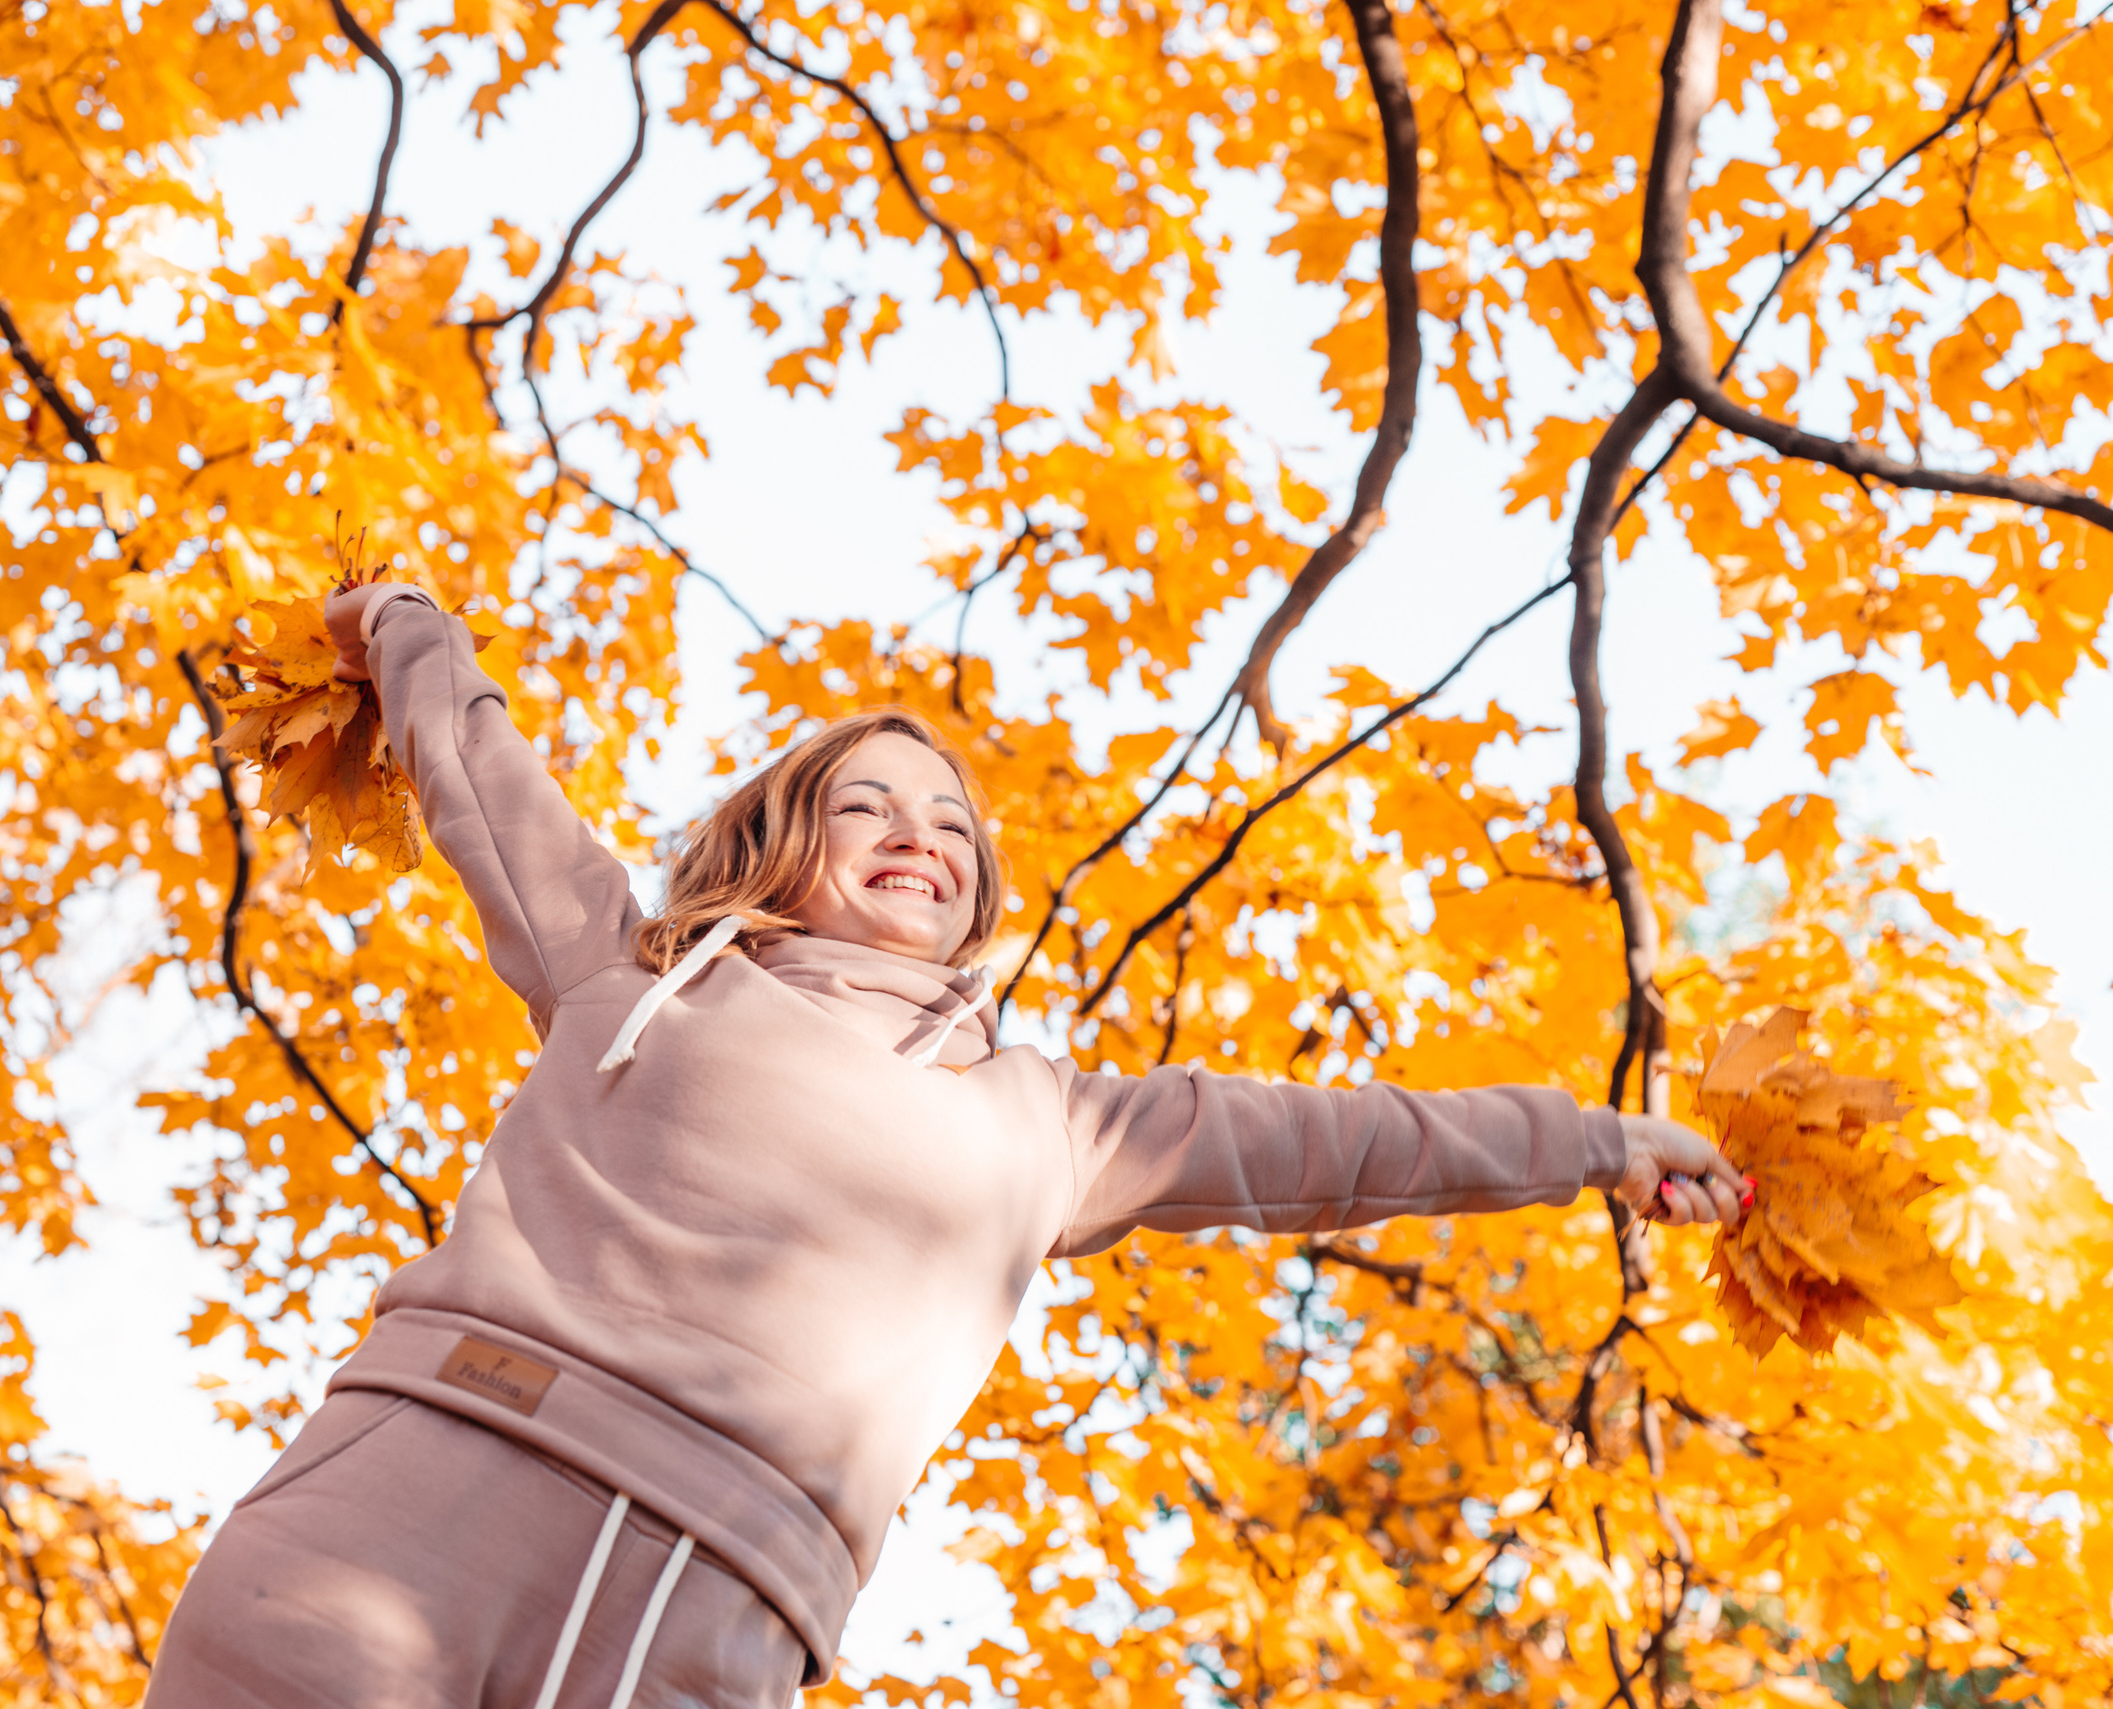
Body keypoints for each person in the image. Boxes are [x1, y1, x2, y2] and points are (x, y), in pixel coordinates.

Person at [145, 581, 1745, 1709]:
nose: (920, 828)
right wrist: (401, 626)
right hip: (399, 1504)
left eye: (954, 821)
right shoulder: (629, 976)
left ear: (978, 890)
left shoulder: (1059, 1123)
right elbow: (482, 777)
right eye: (869, 803)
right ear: (781, 841)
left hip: (700, 1605)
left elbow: (1360, 1140)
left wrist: (1602, 1140)